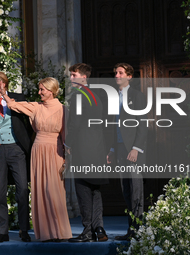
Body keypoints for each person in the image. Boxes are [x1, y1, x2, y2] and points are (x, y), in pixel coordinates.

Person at [0, 77, 72, 242]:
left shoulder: (63, 109)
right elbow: (14, 105)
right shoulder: (36, 106)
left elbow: (66, 136)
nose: (39, 92)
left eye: (42, 90)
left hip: (55, 151)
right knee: (40, 190)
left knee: (54, 190)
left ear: (51, 91)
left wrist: (67, 160)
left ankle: (60, 232)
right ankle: (45, 233)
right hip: (38, 150)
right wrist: (4, 93)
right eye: (39, 89)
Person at [0, 71, 32, 243]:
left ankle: (24, 230)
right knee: (0, 191)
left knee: (22, 190)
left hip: (16, 150)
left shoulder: (18, 98)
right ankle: (3, 231)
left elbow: (29, 122)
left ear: (3, 84)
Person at [66, 63, 109, 243]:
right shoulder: (97, 95)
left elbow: (75, 125)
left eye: (74, 75)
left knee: (83, 189)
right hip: (98, 148)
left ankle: (87, 231)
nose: (71, 78)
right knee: (95, 190)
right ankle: (98, 228)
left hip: (83, 149)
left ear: (84, 77)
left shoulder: (78, 96)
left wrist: (67, 144)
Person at [106, 63, 148, 241]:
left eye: (120, 73)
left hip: (133, 150)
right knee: (126, 189)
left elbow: (143, 124)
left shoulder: (138, 97)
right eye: (115, 72)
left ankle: (139, 231)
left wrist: (136, 149)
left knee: (136, 189)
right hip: (121, 148)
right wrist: (113, 149)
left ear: (129, 76)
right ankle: (131, 230)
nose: (117, 75)